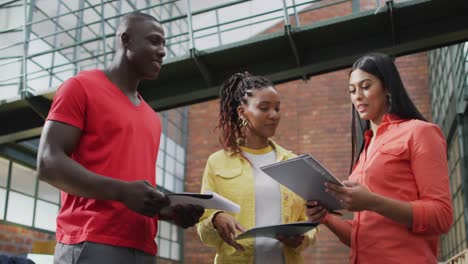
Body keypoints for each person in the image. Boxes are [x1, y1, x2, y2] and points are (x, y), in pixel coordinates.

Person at [37, 12, 203, 264]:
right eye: (154, 41)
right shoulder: (80, 87)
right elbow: (48, 163)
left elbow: (131, 189)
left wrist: (166, 211)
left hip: (143, 247)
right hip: (91, 241)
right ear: (127, 40)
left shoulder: (151, 117)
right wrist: (122, 192)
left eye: (164, 44)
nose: (162, 51)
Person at [306, 52, 453, 263]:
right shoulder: (366, 148)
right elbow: (365, 239)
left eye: (365, 86)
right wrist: (326, 218)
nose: (357, 96)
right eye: (352, 90)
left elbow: (442, 216)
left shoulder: (420, 133)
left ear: (387, 88)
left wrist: (373, 202)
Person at [197, 72, 318, 264]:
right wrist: (216, 219)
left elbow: (310, 224)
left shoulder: (293, 162)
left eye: (277, 108)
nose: (274, 115)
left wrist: (302, 238)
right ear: (242, 112)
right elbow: (204, 231)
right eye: (264, 108)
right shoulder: (217, 162)